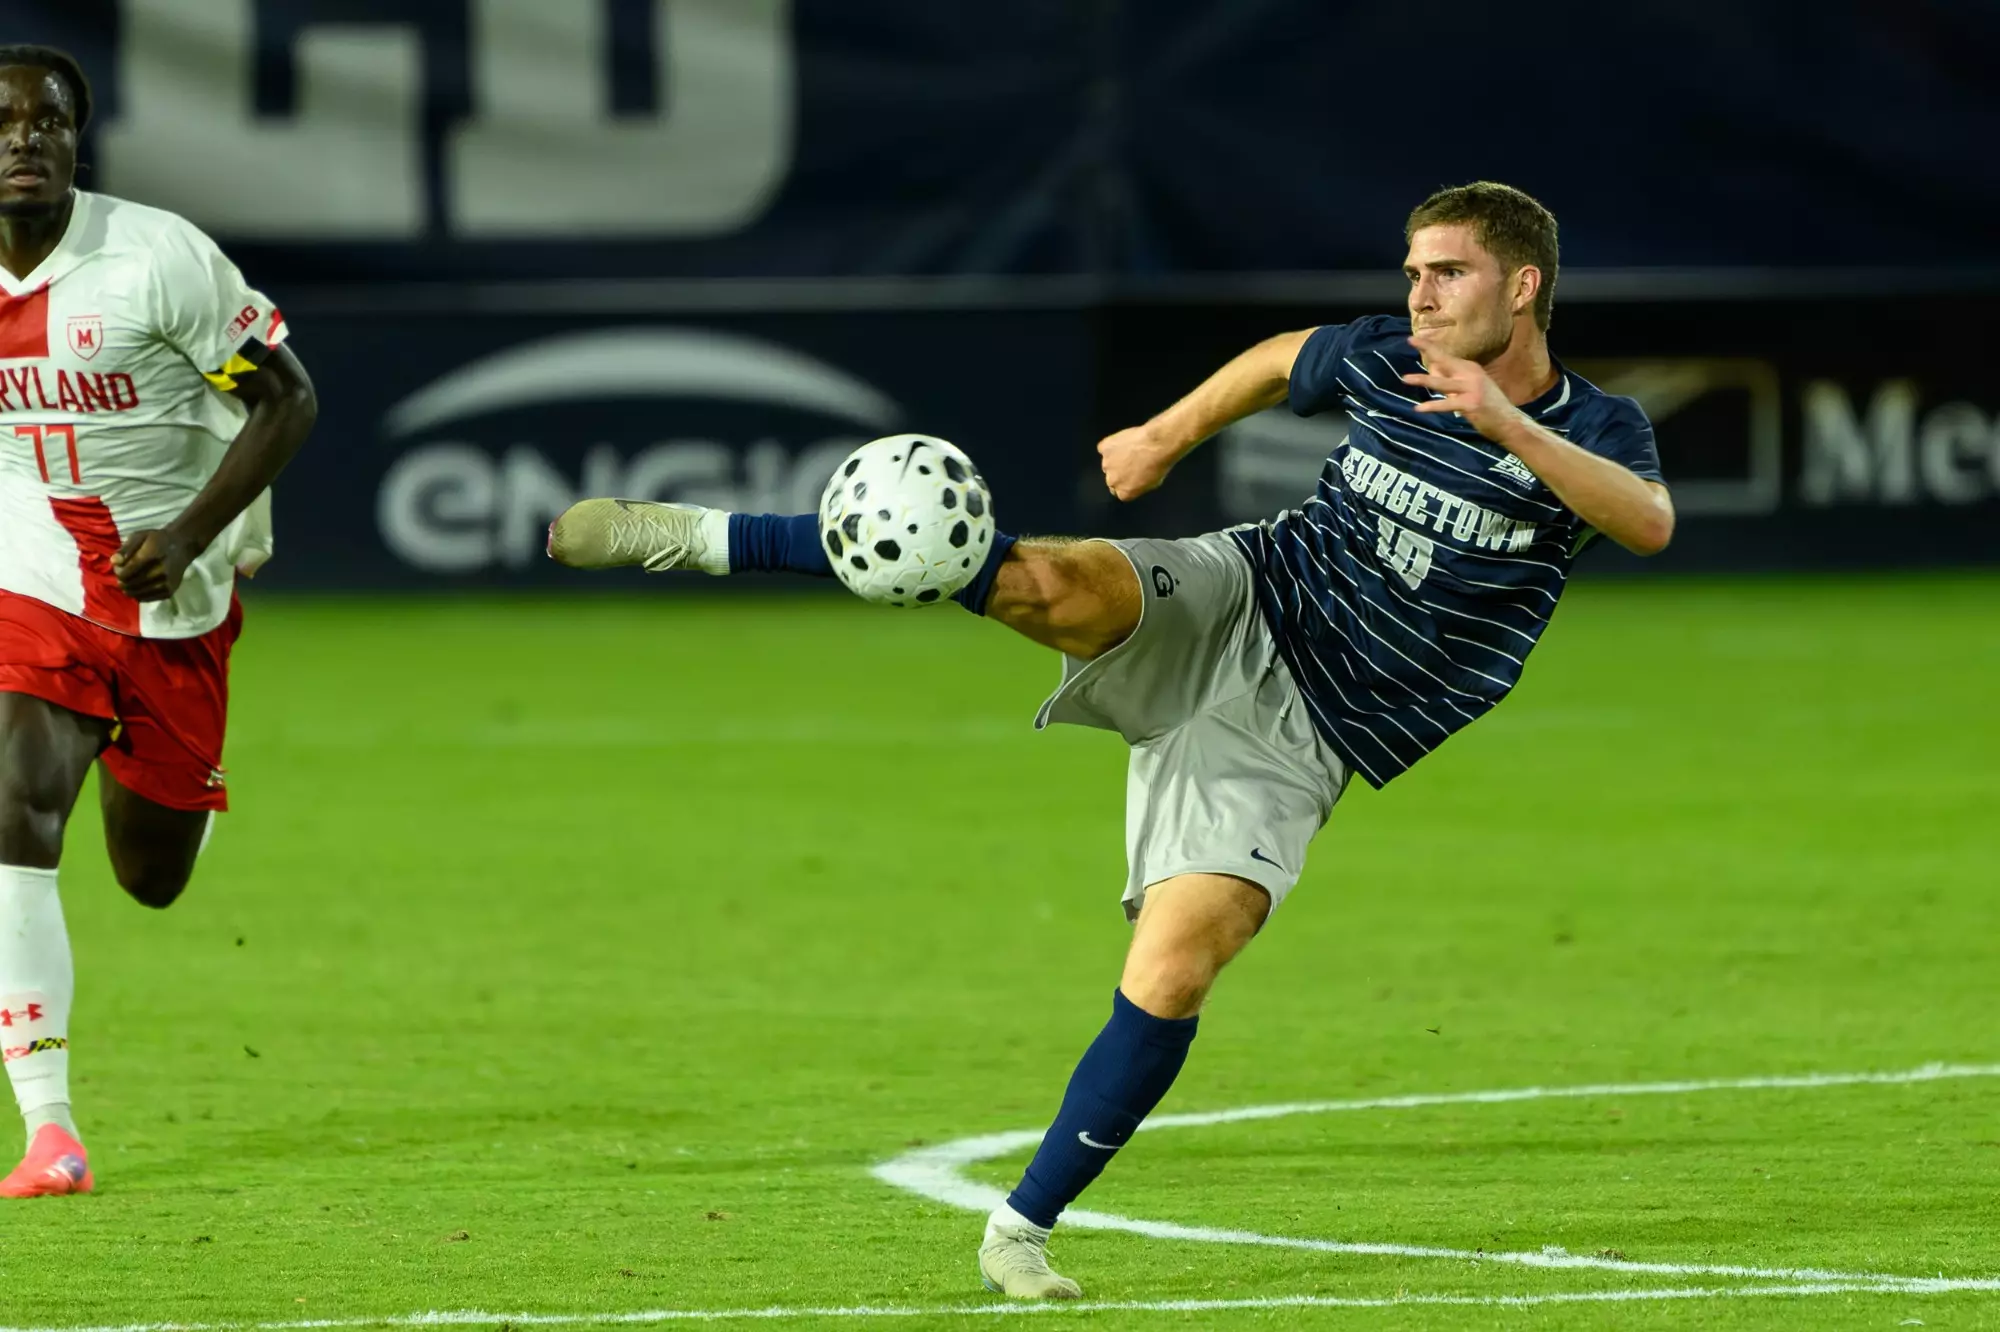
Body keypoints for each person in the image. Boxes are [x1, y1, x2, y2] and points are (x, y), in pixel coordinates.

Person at [548, 181, 1671, 1297]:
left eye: (1448, 274)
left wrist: (1503, 422)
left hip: (1307, 729)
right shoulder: (1391, 356)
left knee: (1175, 966)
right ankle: (689, 535)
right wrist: (1164, 433)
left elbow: (1646, 521)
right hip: (1249, 588)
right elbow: (1287, 355)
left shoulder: (1594, 427)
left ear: (1521, 286)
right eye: (1413, 272)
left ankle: (1018, 1230)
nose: (1419, 296)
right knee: (1038, 582)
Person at [0, 46, 318, 1198]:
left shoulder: (156, 259)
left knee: (152, 877)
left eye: (48, 121)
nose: (23, 138)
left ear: (81, 140)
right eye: (1, 120)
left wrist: (188, 537)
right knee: (13, 811)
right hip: (31, 571)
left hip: (173, 590)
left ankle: (184, 787)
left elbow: (288, 400)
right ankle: (49, 1129)